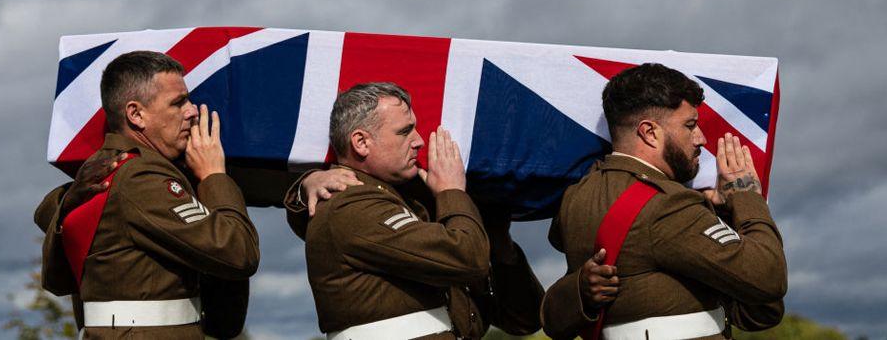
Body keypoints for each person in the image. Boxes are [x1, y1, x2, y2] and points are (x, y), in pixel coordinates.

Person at [542, 63, 787, 340]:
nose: (702, 139)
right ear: (649, 132)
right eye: (690, 126)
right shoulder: (669, 206)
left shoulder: (578, 197)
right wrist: (746, 198)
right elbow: (767, 279)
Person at [293, 81, 543, 339]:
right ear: (361, 142)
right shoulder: (351, 206)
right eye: (405, 132)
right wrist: (452, 192)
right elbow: (467, 258)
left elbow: (525, 320)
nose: (420, 141)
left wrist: (499, 244)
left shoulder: (413, 203)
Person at [40, 50, 260, 339]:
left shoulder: (114, 169)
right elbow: (237, 252)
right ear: (136, 114)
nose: (193, 111)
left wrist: (307, 179)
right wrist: (213, 175)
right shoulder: (141, 178)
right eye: (178, 102)